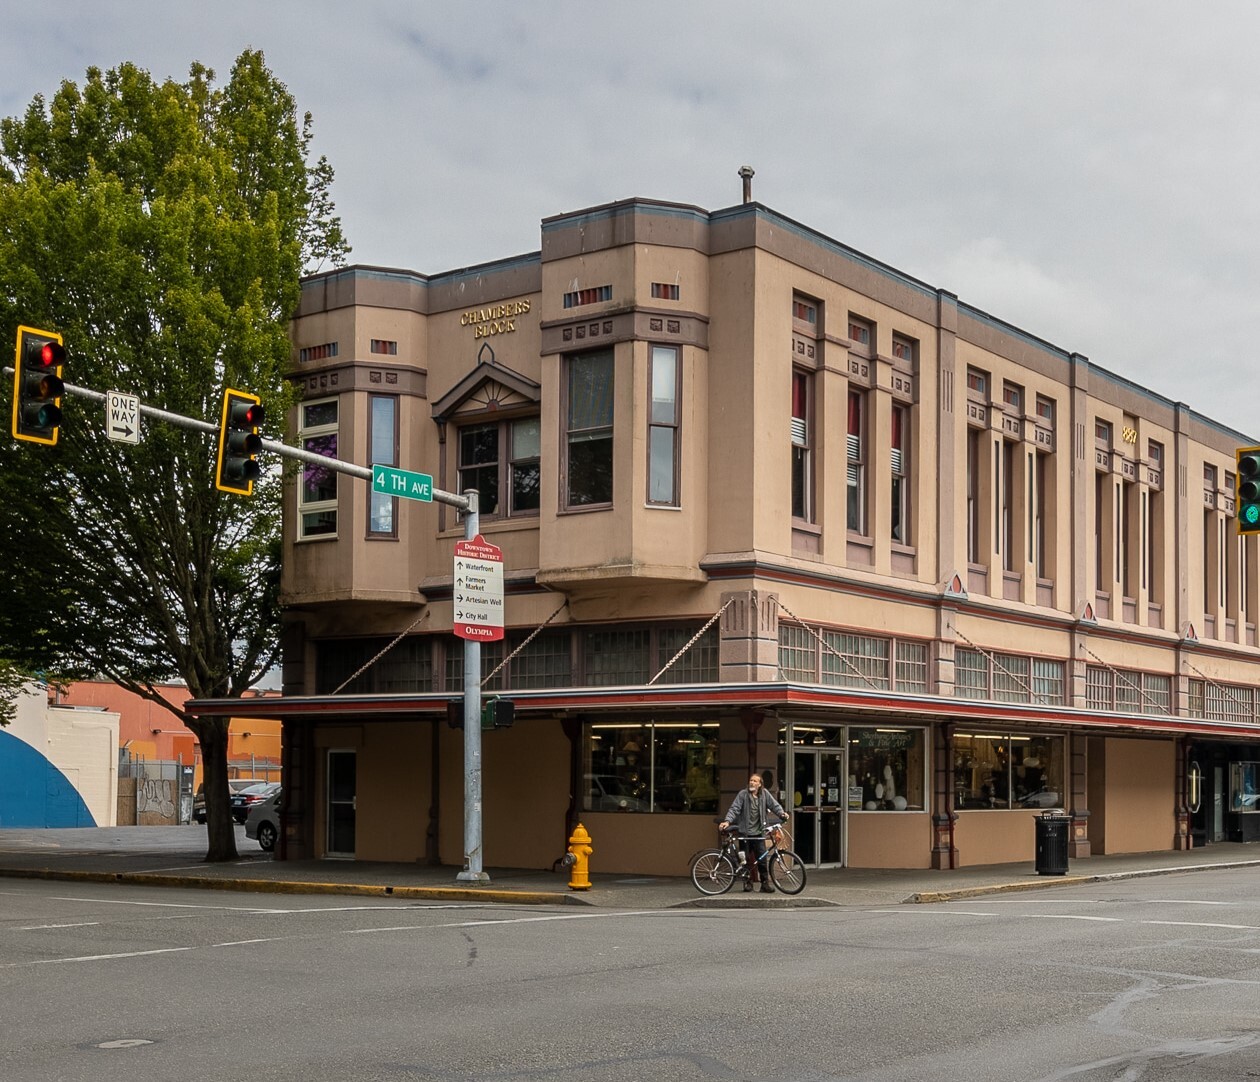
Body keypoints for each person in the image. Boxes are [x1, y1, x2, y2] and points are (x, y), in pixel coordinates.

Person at [720, 772, 789, 893]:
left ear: (760, 784)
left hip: (759, 834)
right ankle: (747, 883)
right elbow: (734, 808)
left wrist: (782, 813)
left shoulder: (765, 794)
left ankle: (764, 884)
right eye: (751, 780)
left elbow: (774, 805)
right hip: (745, 833)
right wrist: (727, 821)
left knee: (762, 860)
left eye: (755, 781)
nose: (752, 782)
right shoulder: (743, 794)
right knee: (744, 860)